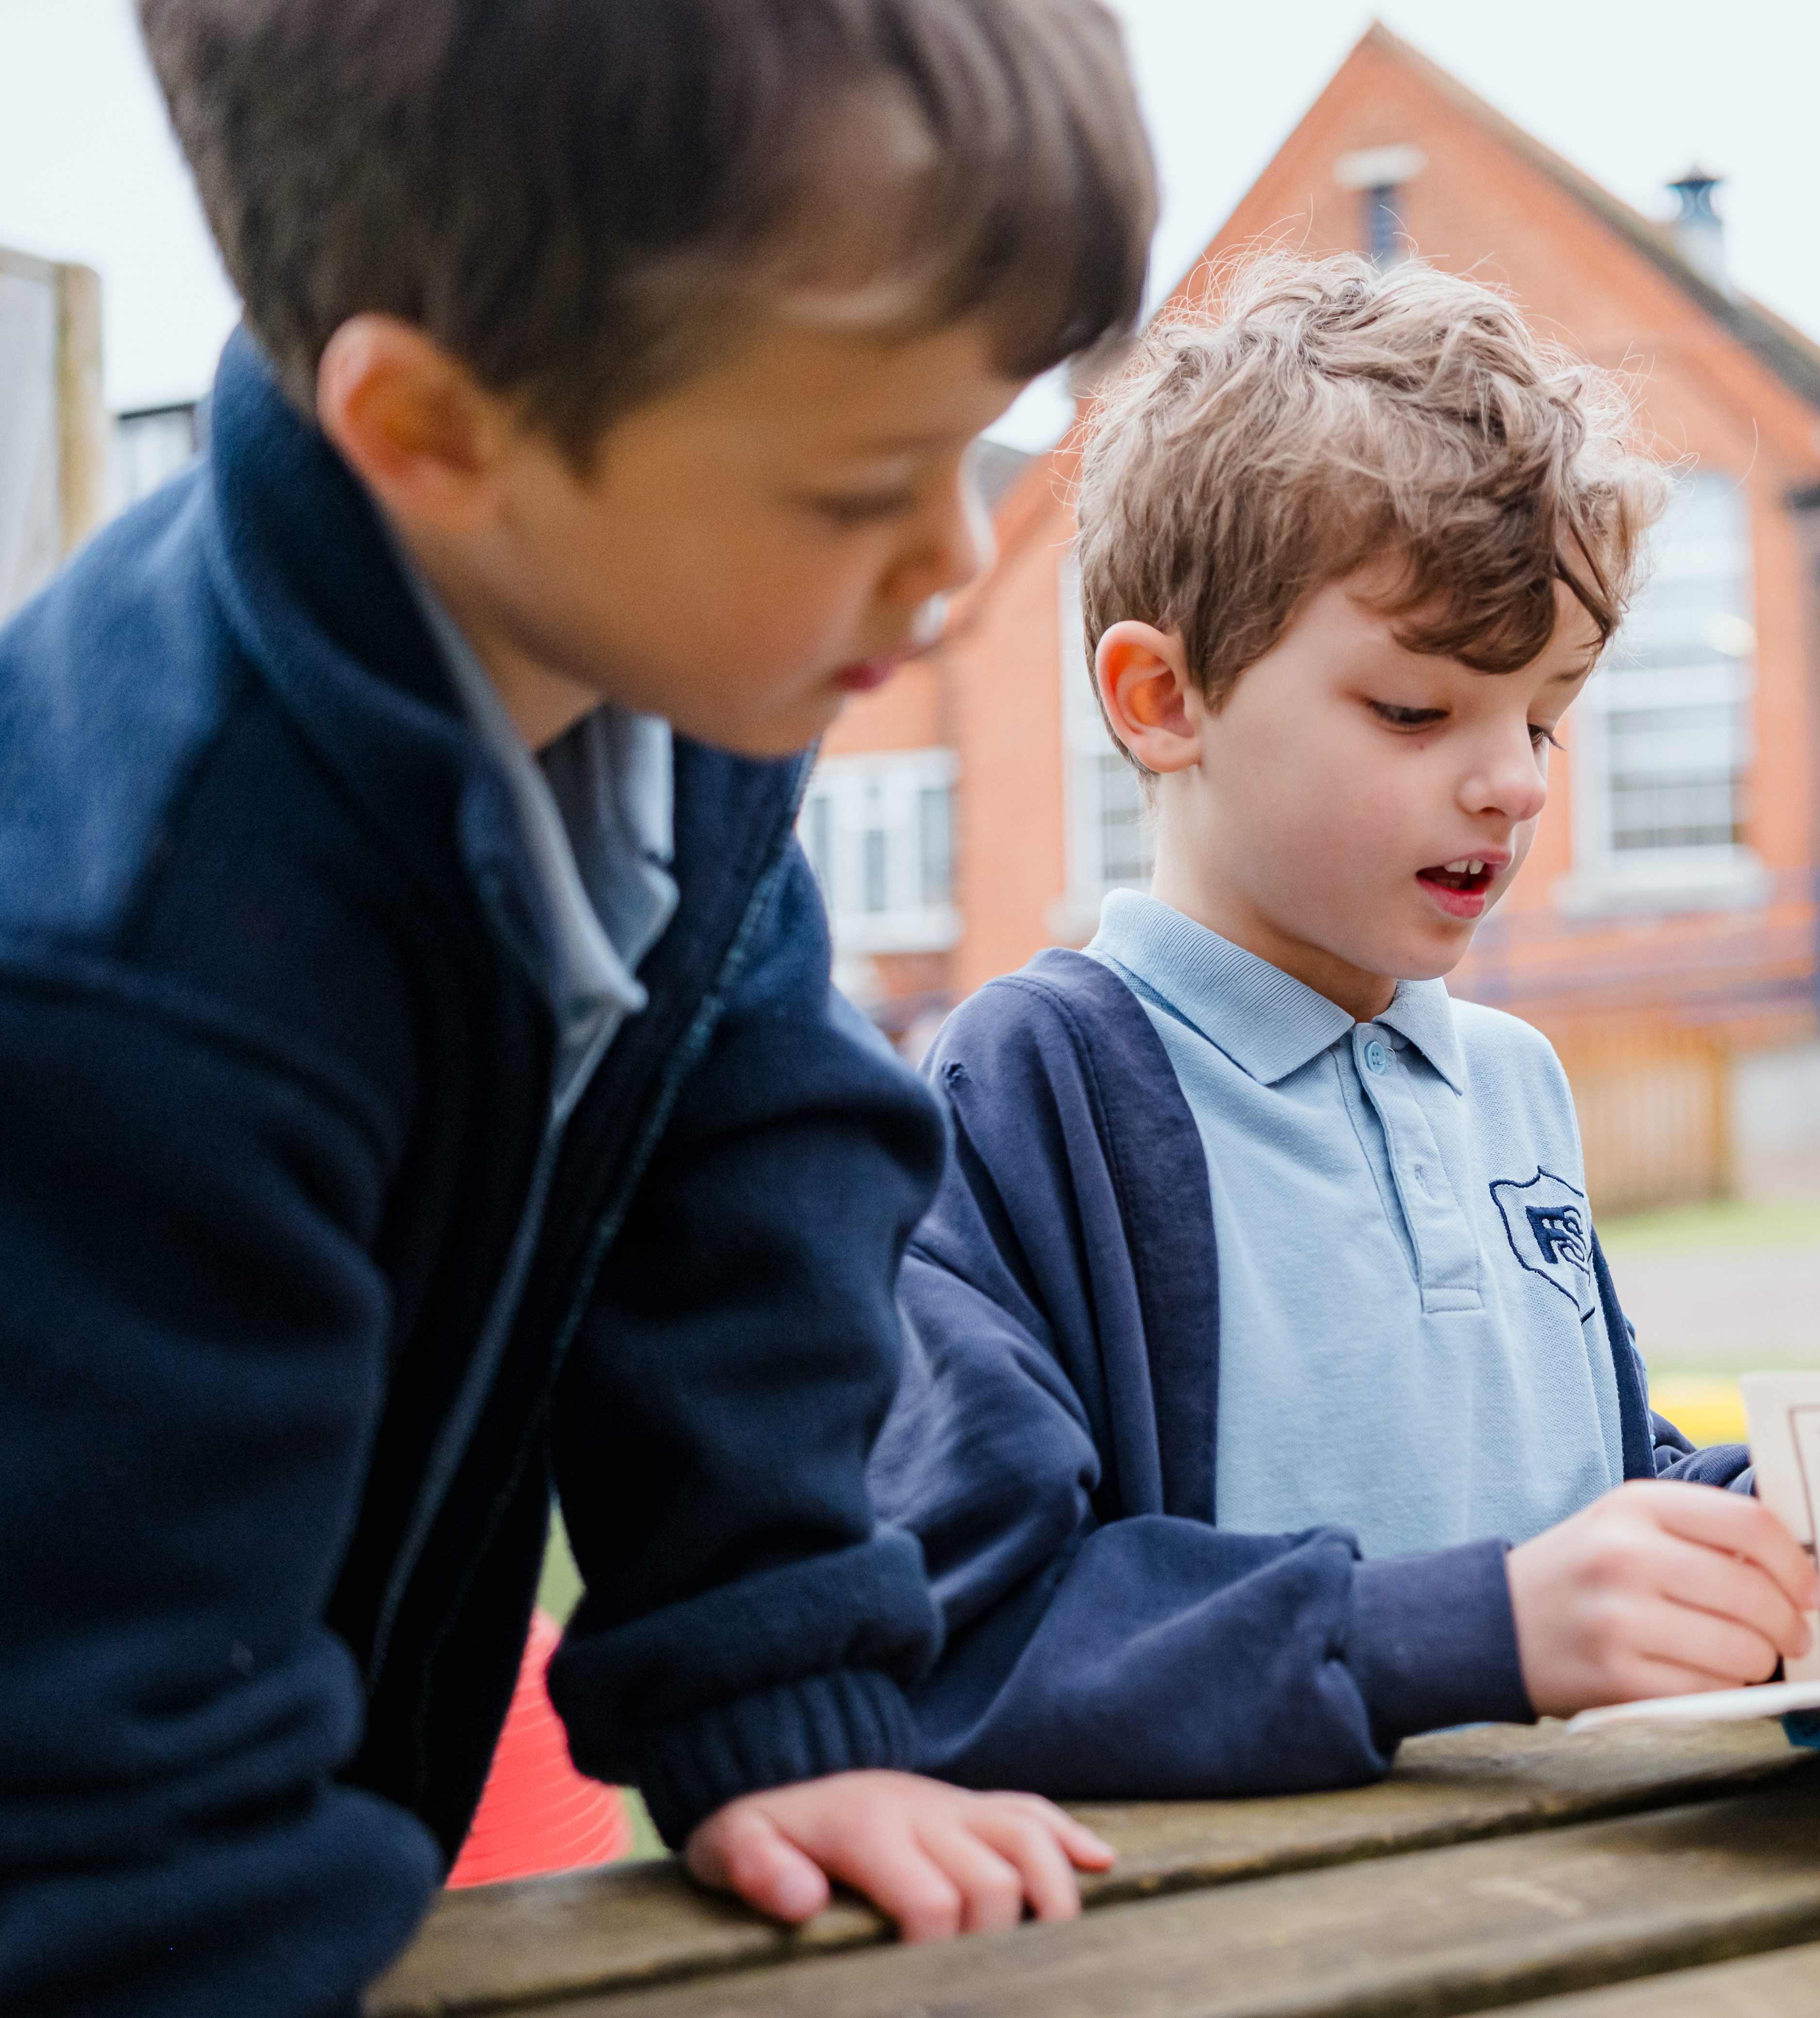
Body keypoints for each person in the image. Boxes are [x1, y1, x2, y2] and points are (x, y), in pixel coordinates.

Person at [0, 4, 1157, 2008]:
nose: (956, 563)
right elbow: (97, 1781)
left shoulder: (662, 677)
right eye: (850, 488)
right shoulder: (140, 962)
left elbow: (745, 1173)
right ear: (441, 435)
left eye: (975, 442)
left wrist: (781, 1685)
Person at [872, 255, 1820, 1797]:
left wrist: (1778, 1514)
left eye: (1545, 713)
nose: (1513, 780)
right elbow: (970, 1640)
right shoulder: (1035, 1083)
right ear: (1161, 699)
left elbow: (1582, 1493)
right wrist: (1470, 1632)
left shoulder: (1510, 1081)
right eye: (1416, 710)